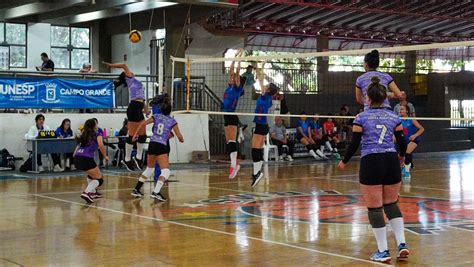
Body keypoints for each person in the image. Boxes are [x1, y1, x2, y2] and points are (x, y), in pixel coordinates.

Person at [339, 76, 409, 263]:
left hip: (371, 162)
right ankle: (402, 244)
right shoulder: (394, 116)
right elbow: (403, 142)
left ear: (368, 99)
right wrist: (403, 157)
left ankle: (383, 251)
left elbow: (354, 143)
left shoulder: (361, 117)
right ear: (385, 98)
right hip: (390, 160)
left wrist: (344, 161)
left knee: (375, 208)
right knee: (392, 204)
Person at [130, 96, 184, 201]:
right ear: (170, 110)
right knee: (166, 171)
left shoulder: (156, 116)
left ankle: (136, 189)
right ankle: (156, 192)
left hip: (152, 143)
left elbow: (143, 123)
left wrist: (135, 134)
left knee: (149, 169)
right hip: (161, 146)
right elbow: (180, 137)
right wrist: (181, 139)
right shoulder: (172, 121)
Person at [103, 62, 149, 171]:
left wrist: (146, 111)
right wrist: (110, 65)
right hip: (133, 108)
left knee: (143, 135)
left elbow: (143, 99)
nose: (130, 71)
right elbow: (123, 64)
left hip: (139, 107)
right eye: (127, 72)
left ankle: (138, 158)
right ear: (126, 75)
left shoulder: (137, 82)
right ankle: (127, 159)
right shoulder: (130, 78)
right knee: (132, 135)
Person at [250, 67, 279, 187]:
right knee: (257, 148)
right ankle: (257, 173)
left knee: (255, 149)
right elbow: (262, 82)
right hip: (263, 125)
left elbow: (261, 82)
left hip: (261, 125)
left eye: (267, 86)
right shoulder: (269, 98)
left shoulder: (264, 96)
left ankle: (257, 173)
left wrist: (258, 71)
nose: (265, 86)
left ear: (268, 89)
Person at [73, 119, 109, 204]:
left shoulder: (84, 134)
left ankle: (92, 192)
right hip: (86, 158)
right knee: (100, 180)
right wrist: (105, 156)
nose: (97, 126)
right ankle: (87, 192)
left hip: (77, 158)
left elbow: (78, 146)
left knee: (91, 175)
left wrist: (74, 156)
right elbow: (101, 145)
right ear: (94, 126)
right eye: (96, 124)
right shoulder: (98, 134)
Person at [222, 51, 245, 179]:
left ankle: (234, 165)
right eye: (231, 77)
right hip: (225, 115)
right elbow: (231, 70)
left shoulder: (237, 89)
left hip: (231, 115)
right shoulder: (229, 87)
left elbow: (236, 72)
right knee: (228, 142)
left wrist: (239, 60)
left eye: (234, 78)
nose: (231, 78)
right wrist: (234, 58)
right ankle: (233, 164)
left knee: (231, 140)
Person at [400, 105, 424, 179]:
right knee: (402, 155)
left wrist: (415, 135)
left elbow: (422, 129)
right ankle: (405, 167)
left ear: (407, 111)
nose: (400, 111)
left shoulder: (411, 120)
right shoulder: (399, 120)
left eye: (402, 109)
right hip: (405, 141)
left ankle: (407, 172)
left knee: (407, 152)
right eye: (400, 109)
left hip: (414, 140)